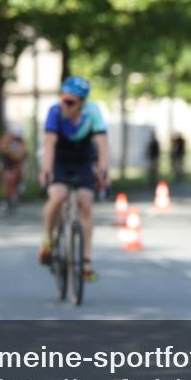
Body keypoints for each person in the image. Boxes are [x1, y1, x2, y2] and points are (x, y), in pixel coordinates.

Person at [38, 76, 109, 282]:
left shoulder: (93, 112)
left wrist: (103, 170)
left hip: (83, 160)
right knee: (58, 196)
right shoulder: (55, 112)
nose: (65, 104)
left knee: (85, 203)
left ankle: (86, 261)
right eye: (63, 99)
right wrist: (46, 170)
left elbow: (102, 143)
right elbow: (49, 143)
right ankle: (48, 240)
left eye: (70, 102)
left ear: (82, 103)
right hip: (59, 159)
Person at [0, 125, 26, 213]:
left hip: (16, 163)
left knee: (14, 179)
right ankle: (5, 199)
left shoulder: (21, 141)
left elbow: (21, 154)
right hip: (7, 163)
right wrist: (11, 152)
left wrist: (15, 155)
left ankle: (14, 195)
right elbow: (3, 148)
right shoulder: (6, 139)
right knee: (7, 180)